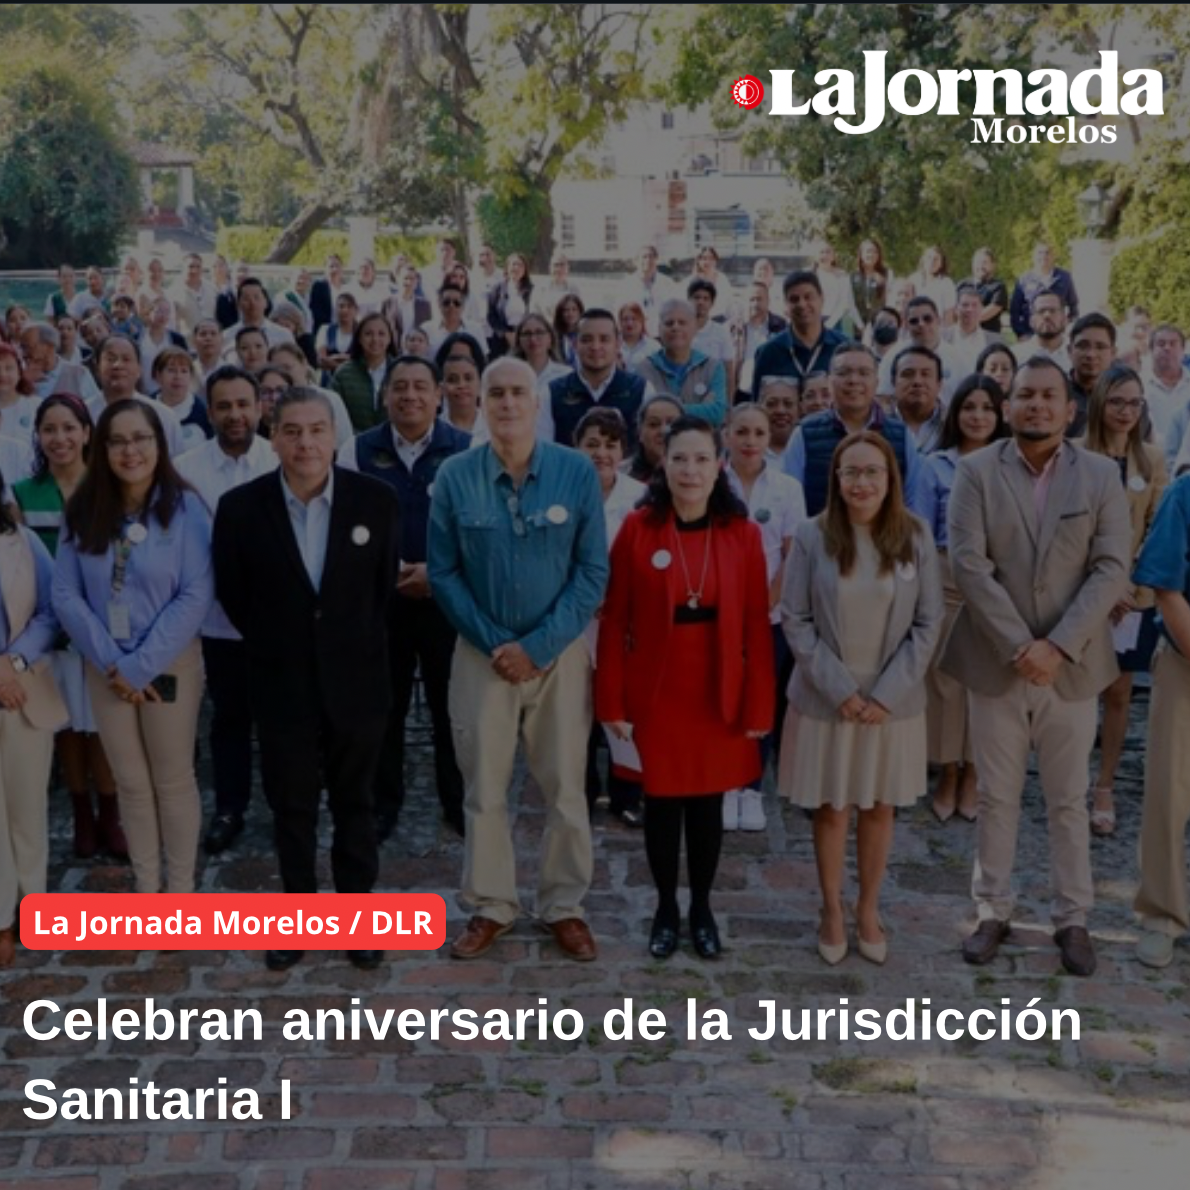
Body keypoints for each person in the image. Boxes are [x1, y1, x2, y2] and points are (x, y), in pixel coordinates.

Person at [942, 357, 1131, 977]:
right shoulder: (975, 472)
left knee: (1068, 799)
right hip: (999, 661)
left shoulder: (1100, 475)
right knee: (996, 795)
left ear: (1070, 409)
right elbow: (968, 563)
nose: (1037, 405)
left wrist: (1058, 646)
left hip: (1071, 666)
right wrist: (1023, 645)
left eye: (1050, 395)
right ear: (1008, 405)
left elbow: (1111, 568)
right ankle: (991, 908)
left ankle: (1073, 917)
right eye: (1025, 394)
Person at [213, 388, 400, 971]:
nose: (305, 443)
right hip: (281, 680)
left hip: (357, 681)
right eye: (292, 431)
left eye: (317, 429)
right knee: (290, 805)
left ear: (334, 434)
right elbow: (234, 594)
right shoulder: (240, 508)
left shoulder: (376, 501)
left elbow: (381, 592)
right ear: (273, 438)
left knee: (355, 802)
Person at [428, 357, 608, 962]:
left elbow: (592, 571)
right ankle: (492, 904)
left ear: (537, 403)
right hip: (482, 656)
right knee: (483, 787)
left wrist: (538, 646)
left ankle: (564, 905)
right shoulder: (455, 476)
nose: (507, 403)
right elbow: (443, 573)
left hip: (558, 656)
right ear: (481, 402)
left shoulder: (575, 471)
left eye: (518, 393)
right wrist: (496, 643)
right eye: (496, 393)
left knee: (566, 787)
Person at [598, 415, 773, 958]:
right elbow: (613, 620)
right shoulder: (638, 528)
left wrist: (759, 705)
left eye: (700, 459)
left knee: (705, 807)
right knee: (661, 804)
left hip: (717, 689)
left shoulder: (742, 534)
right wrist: (611, 701)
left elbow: (756, 626)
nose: (690, 470)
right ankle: (665, 909)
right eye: (679, 459)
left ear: (718, 466)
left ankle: (701, 907)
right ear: (663, 465)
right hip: (657, 690)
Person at [780, 432, 942, 965]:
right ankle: (831, 908)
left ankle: (868, 907)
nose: (861, 482)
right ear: (836, 478)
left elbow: (929, 622)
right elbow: (796, 618)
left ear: (891, 478)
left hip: (891, 702)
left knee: (879, 807)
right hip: (828, 697)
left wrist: (887, 693)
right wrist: (841, 690)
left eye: (872, 471)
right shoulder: (813, 535)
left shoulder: (915, 535)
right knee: (832, 808)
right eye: (851, 472)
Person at [52, 401, 213, 895]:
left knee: (172, 779)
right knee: (131, 784)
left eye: (141, 438)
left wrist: (141, 665)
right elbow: (66, 593)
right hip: (106, 668)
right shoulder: (83, 509)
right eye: (118, 441)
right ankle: (147, 889)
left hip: (169, 664)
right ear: (102, 448)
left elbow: (197, 592)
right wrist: (112, 661)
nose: (130, 450)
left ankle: (179, 893)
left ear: (159, 444)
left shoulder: (186, 508)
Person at [338, 356, 470, 842]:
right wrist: (388, 569)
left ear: (439, 394)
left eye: (420, 386)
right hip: (382, 600)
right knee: (383, 707)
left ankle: (458, 801)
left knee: (451, 707)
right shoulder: (356, 450)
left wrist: (437, 573)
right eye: (399, 387)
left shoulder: (466, 450)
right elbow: (343, 523)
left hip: (447, 600)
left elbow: (476, 528)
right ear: (385, 395)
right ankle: (382, 803)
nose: (409, 396)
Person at [13, 396, 127, 860]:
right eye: (49, 429)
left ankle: (110, 811)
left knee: (101, 723)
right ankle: (81, 811)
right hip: (47, 633)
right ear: (38, 436)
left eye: (68, 428)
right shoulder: (23, 494)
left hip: (100, 629)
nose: (59, 438)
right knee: (65, 726)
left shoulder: (109, 487)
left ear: (86, 433)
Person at [174, 367, 279, 855]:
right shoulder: (186, 470)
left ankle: (285, 805)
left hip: (278, 621)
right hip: (216, 621)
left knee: (281, 719)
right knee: (229, 719)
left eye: (243, 404)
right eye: (223, 406)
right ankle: (229, 808)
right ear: (210, 411)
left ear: (259, 407)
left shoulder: (281, 458)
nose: (235, 414)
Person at [1077, 365, 1167, 837]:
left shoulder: (1151, 459)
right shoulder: (1074, 454)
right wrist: (1104, 586)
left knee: (1118, 692)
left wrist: (1125, 584)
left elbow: (1156, 527)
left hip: (1133, 598)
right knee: (1074, 690)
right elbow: (1069, 533)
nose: (1126, 411)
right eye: (1117, 402)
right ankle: (1070, 778)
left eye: (1135, 403)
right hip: (1080, 593)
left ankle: (1105, 785)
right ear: (1100, 404)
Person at [924, 376, 1009, 823]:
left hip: (999, 579)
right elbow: (919, 531)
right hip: (945, 575)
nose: (978, 416)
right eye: (969, 407)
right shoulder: (934, 465)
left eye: (987, 408)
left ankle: (975, 772)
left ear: (1000, 415)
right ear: (955, 413)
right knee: (945, 679)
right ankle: (949, 771)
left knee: (987, 680)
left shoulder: (1013, 464)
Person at [724, 404, 807, 833]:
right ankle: (726, 783)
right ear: (727, 434)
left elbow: (792, 555)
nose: (750, 441)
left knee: (761, 699)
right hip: (718, 612)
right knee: (723, 697)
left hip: (769, 615)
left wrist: (761, 607)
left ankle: (752, 788)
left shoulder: (787, 488)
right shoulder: (712, 481)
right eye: (742, 432)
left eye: (758, 432)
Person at [0, 475, 66, 967]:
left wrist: (13, 661)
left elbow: (50, 610)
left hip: (21, 690)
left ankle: (31, 903)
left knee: (26, 805)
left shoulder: (20, 541)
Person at [573, 407, 646, 827]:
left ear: (624, 451)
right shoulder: (562, 490)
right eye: (592, 444)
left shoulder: (640, 497)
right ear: (576, 448)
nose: (602, 452)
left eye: (611, 444)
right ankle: (581, 790)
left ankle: (627, 794)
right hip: (575, 621)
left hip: (624, 621)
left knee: (624, 707)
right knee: (577, 708)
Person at [1130, 471, 1190, 968]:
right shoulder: (1185, 494)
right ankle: (1162, 915)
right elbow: (1166, 586)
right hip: (1184, 662)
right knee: (1170, 792)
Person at [783, 342, 935, 522]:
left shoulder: (902, 436)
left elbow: (914, 504)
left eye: (864, 373)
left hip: (887, 538)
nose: (853, 380)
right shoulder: (804, 434)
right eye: (843, 372)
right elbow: (790, 504)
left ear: (876, 382)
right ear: (830, 381)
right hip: (822, 537)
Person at [541, 308, 649, 450]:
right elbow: (544, 449)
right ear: (575, 344)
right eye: (586, 340)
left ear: (618, 344)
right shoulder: (552, 393)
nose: (595, 347)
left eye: (604, 339)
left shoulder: (641, 390)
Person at [751, 271, 850, 401]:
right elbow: (758, 405)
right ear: (785, 305)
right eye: (794, 299)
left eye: (808, 297)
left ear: (822, 299)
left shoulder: (845, 349)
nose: (802, 304)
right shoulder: (768, 353)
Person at [634, 300, 727, 426]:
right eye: (669, 323)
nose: (675, 327)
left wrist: (667, 411)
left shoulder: (712, 367)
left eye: (682, 322)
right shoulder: (644, 369)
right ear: (659, 329)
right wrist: (700, 408)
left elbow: (717, 413)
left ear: (695, 328)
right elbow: (643, 414)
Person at [331, 311, 397, 432]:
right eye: (368, 334)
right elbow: (333, 413)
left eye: (381, 334)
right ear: (359, 338)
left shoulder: (401, 371)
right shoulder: (343, 374)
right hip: (353, 440)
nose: (375, 339)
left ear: (389, 338)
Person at [1009, 242, 1079, 340]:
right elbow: (1015, 310)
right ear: (1033, 257)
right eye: (1040, 253)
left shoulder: (1064, 277)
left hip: (1058, 335)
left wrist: (1068, 327)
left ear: (1053, 256)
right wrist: (1021, 334)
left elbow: (1073, 305)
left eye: (1047, 253)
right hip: (1030, 335)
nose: (1044, 256)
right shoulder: (1024, 280)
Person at [20, 323, 100, 404]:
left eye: (27, 347)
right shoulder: (20, 377)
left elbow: (95, 407)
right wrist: (25, 384)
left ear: (49, 346)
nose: (23, 354)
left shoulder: (79, 375)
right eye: (22, 348)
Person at [151, 348, 212, 453]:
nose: (178, 377)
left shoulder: (201, 410)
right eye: (171, 370)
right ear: (158, 375)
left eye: (184, 371)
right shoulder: (146, 407)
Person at [624, 395, 683, 484]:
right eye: (654, 424)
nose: (663, 431)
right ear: (640, 433)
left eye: (672, 424)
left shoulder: (699, 472)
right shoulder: (620, 474)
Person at [488, 253, 534, 355]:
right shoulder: (498, 289)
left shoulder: (532, 290)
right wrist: (505, 333)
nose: (516, 268)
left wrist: (521, 333)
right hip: (502, 338)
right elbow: (491, 315)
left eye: (520, 265)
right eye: (513, 264)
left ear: (525, 269)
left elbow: (534, 314)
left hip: (525, 335)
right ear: (507, 268)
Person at [962, 247, 1008, 335]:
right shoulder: (962, 285)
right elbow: (952, 310)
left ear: (993, 265)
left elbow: (984, 315)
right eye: (978, 262)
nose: (981, 266)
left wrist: (963, 317)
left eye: (985, 262)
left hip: (988, 337)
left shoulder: (998, 287)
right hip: (963, 336)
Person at [908, 246, 958, 326]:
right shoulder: (913, 279)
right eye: (929, 258)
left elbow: (948, 313)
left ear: (941, 264)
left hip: (936, 327)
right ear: (923, 260)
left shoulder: (946, 283)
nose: (932, 261)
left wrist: (946, 332)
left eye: (936, 259)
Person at [316, 292, 358, 383]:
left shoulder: (362, 331)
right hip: (329, 382)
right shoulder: (325, 329)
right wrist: (348, 361)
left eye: (349, 306)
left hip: (354, 383)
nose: (345, 310)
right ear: (335, 309)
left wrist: (333, 358)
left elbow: (364, 360)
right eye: (341, 306)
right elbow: (321, 360)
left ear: (356, 310)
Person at [757, 376, 800, 464]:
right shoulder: (748, 451)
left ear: (799, 409)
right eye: (771, 404)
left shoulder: (809, 451)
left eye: (788, 404)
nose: (780, 411)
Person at [850, 238, 892, 330]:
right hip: (856, 323)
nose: (871, 255)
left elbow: (889, 300)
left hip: (879, 323)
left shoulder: (887, 274)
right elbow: (850, 302)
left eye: (875, 252)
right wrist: (860, 325)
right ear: (861, 254)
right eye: (868, 251)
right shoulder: (852, 276)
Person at [619, 302, 661, 375]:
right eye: (625, 319)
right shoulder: (613, 345)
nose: (630, 323)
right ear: (620, 322)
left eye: (634, 319)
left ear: (642, 320)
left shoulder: (653, 347)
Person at [553, 293, 585, 370]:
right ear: (560, 313)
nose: (570, 313)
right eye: (566, 310)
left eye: (574, 309)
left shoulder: (586, 334)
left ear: (580, 312)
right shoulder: (555, 336)